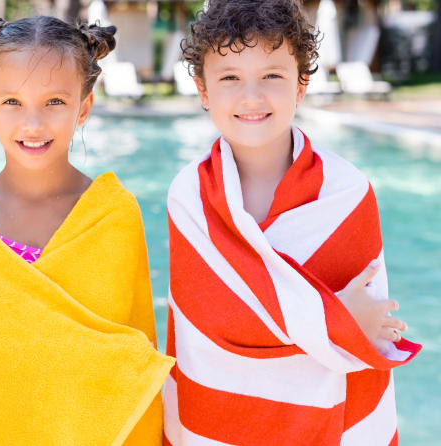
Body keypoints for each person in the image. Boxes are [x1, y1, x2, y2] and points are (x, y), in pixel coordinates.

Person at [0, 15, 174, 445]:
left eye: (54, 102)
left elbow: (127, 362)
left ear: (84, 106)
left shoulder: (111, 214)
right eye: (12, 102)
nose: (33, 123)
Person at [163, 1, 421, 444]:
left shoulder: (347, 193)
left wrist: (344, 323)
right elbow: (208, 323)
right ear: (202, 90)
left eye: (272, 76)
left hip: (327, 423)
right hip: (220, 419)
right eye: (229, 78)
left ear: (301, 84)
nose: (251, 96)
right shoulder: (189, 196)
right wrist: (335, 320)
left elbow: (370, 326)